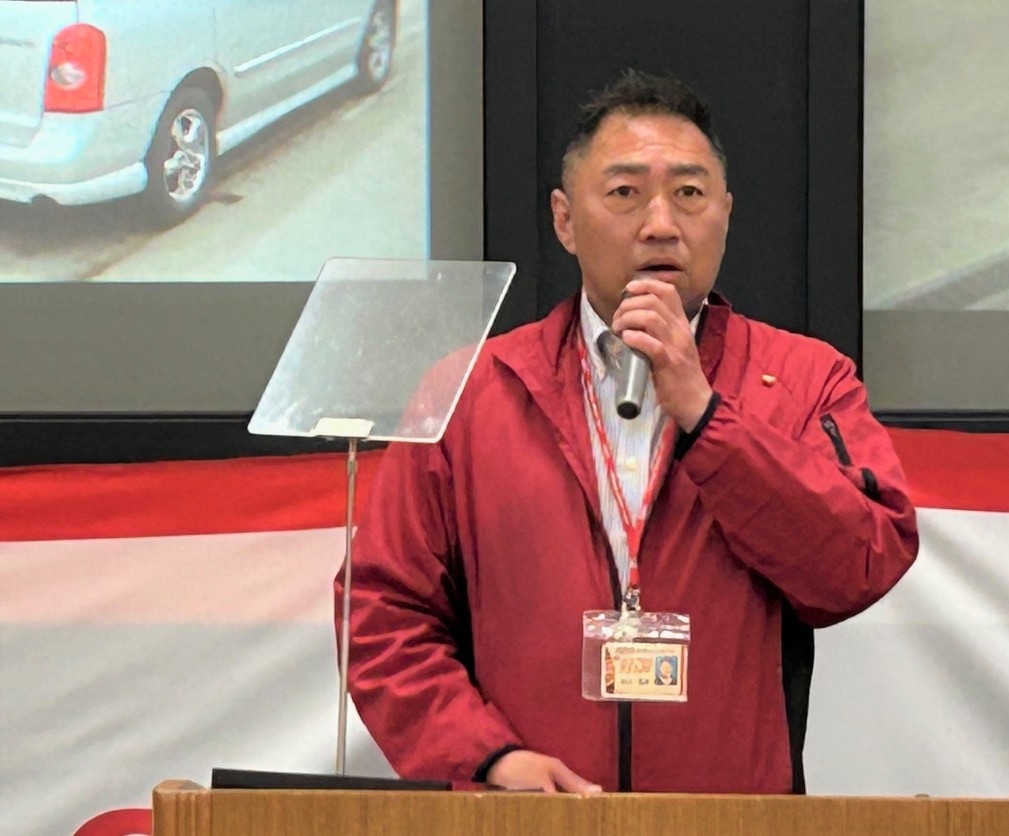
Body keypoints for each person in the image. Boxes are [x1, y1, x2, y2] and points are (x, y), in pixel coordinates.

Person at [337, 69, 918, 796]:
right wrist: (487, 758)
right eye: (624, 193)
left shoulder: (805, 379)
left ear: (726, 213)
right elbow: (381, 614)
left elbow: (859, 566)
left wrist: (707, 415)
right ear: (564, 219)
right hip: (532, 819)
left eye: (690, 193)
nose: (661, 224)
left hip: (731, 817)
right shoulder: (469, 392)